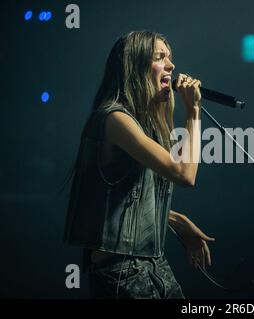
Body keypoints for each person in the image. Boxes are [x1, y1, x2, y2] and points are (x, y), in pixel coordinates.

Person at [63, 30, 214, 299]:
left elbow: (121, 201)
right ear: (135, 66)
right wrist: (193, 113)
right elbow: (185, 174)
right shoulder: (113, 119)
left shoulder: (140, 125)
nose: (171, 65)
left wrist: (176, 220)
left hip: (152, 265)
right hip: (121, 271)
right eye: (160, 57)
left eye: (171, 58)